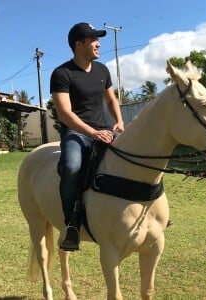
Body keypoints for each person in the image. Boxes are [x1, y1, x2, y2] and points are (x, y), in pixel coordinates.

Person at [50, 22, 124, 251]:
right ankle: (71, 225)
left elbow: (111, 99)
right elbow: (64, 113)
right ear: (78, 44)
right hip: (77, 133)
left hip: (105, 130)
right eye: (93, 40)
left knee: (136, 154)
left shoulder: (102, 70)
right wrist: (92, 132)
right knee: (72, 167)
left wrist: (119, 122)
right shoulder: (62, 74)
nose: (98, 44)